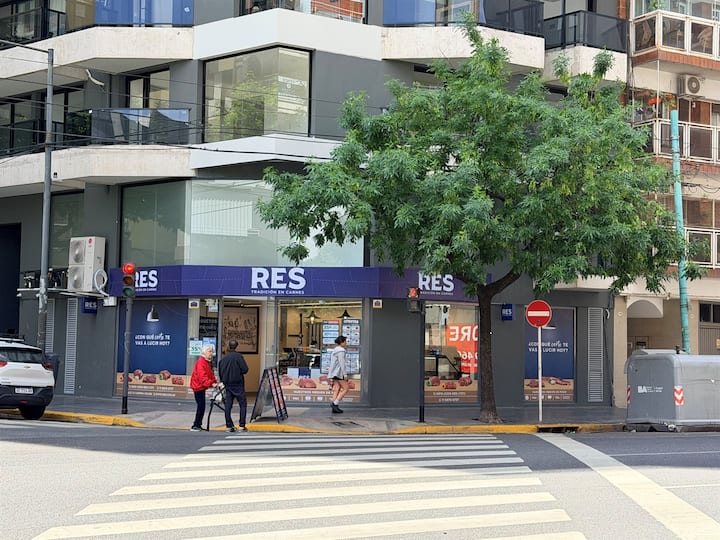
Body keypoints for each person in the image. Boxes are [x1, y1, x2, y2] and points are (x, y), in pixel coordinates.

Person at [218, 339, 250, 432]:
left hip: (228, 385)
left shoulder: (223, 359)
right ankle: (242, 425)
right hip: (238, 384)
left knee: (228, 405)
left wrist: (223, 380)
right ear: (236, 346)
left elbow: (220, 372)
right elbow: (245, 369)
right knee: (242, 404)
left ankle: (229, 425)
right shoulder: (238, 357)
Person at [189, 345, 217, 431]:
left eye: (212, 351)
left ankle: (197, 424)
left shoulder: (206, 362)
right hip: (198, 387)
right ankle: (196, 425)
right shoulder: (201, 362)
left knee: (201, 406)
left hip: (200, 387)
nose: (211, 353)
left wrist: (214, 381)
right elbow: (202, 377)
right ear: (204, 352)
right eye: (209, 351)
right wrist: (211, 383)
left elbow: (210, 374)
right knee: (201, 406)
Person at [328, 335, 348, 413]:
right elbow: (342, 363)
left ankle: (334, 407)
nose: (346, 343)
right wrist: (345, 374)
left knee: (337, 388)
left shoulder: (335, 350)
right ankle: (335, 403)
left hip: (334, 372)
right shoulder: (341, 351)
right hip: (339, 372)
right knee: (346, 388)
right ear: (342, 342)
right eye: (345, 341)